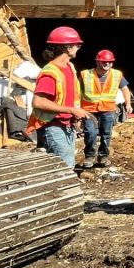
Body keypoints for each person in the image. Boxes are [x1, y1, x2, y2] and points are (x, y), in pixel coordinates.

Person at [27, 26, 92, 169]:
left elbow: (70, 96)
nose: (78, 48)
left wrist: (74, 115)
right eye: (77, 45)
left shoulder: (70, 67)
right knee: (65, 165)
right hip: (52, 125)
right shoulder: (50, 72)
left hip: (65, 123)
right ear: (68, 48)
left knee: (66, 163)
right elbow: (38, 102)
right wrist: (70, 110)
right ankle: (63, 191)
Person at [79, 49, 133, 168]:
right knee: (90, 133)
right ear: (97, 62)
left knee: (106, 134)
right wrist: (75, 108)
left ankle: (103, 156)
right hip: (89, 109)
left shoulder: (117, 75)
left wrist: (128, 104)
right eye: (104, 61)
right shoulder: (85, 74)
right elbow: (77, 91)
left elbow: (125, 89)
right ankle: (89, 156)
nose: (107, 64)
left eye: (109, 62)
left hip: (108, 109)